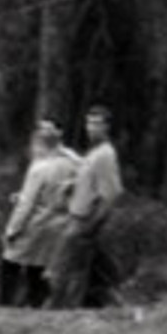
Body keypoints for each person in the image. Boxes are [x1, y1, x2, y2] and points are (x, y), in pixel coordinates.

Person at [48, 106, 124, 308]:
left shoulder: (106, 154)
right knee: (74, 268)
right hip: (76, 216)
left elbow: (112, 193)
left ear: (107, 127)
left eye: (97, 124)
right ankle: (64, 308)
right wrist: (71, 185)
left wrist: (92, 223)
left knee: (67, 270)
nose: (91, 128)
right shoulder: (95, 153)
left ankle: (60, 310)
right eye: (89, 123)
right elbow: (89, 177)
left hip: (84, 219)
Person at [1, 121, 78, 307]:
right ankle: (37, 307)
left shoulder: (39, 167)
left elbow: (26, 205)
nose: (41, 133)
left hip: (35, 225)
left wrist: (12, 230)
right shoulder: (71, 163)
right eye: (40, 129)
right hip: (58, 224)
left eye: (45, 129)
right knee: (37, 267)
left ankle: (5, 307)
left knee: (10, 263)